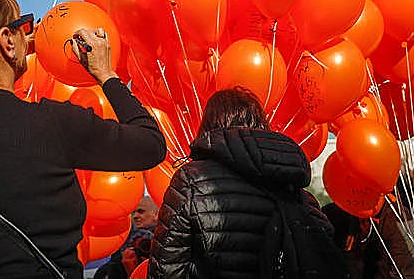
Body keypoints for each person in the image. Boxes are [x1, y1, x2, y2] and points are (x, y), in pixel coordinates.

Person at [0, 0, 167, 278]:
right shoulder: (52, 123)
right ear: (7, 39)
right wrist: (106, 73)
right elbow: (151, 145)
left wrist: (13, 50)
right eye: (25, 26)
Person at [148, 87, 345, 278]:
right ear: (260, 123)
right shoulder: (287, 178)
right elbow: (322, 241)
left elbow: (167, 267)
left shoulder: (191, 179)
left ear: (208, 125)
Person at [94, 197, 159, 279]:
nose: (135, 216)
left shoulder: (169, 241)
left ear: (156, 214)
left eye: (141, 211)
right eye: (134, 212)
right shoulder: (122, 242)